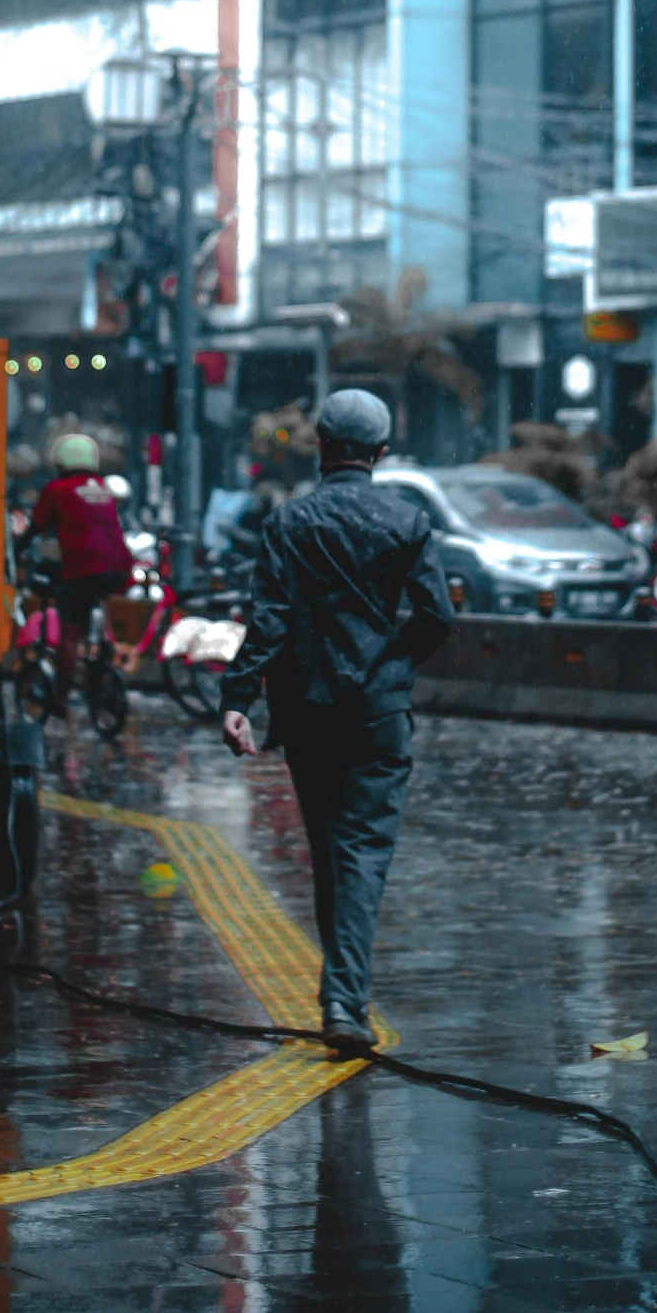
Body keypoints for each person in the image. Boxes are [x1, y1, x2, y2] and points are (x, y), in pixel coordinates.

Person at [220, 388, 455, 1054]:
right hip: (378, 713)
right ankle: (343, 1002)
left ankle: (341, 998)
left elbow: (266, 621)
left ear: (320, 445)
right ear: (380, 453)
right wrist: (390, 663)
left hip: (308, 710)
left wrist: (237, 700)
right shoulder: (407, 522)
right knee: (361, 852)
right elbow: (436, 616)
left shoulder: (289, 524)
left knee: (330, 851)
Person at [30, 434, 133, 706]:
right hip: (120, 567)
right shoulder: (101, 487)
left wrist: (14, 550)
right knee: (93, 607)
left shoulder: (57, 489)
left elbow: (35, 527)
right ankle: (100, 663)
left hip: (84, 568)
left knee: (69, 635)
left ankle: (60, 697)